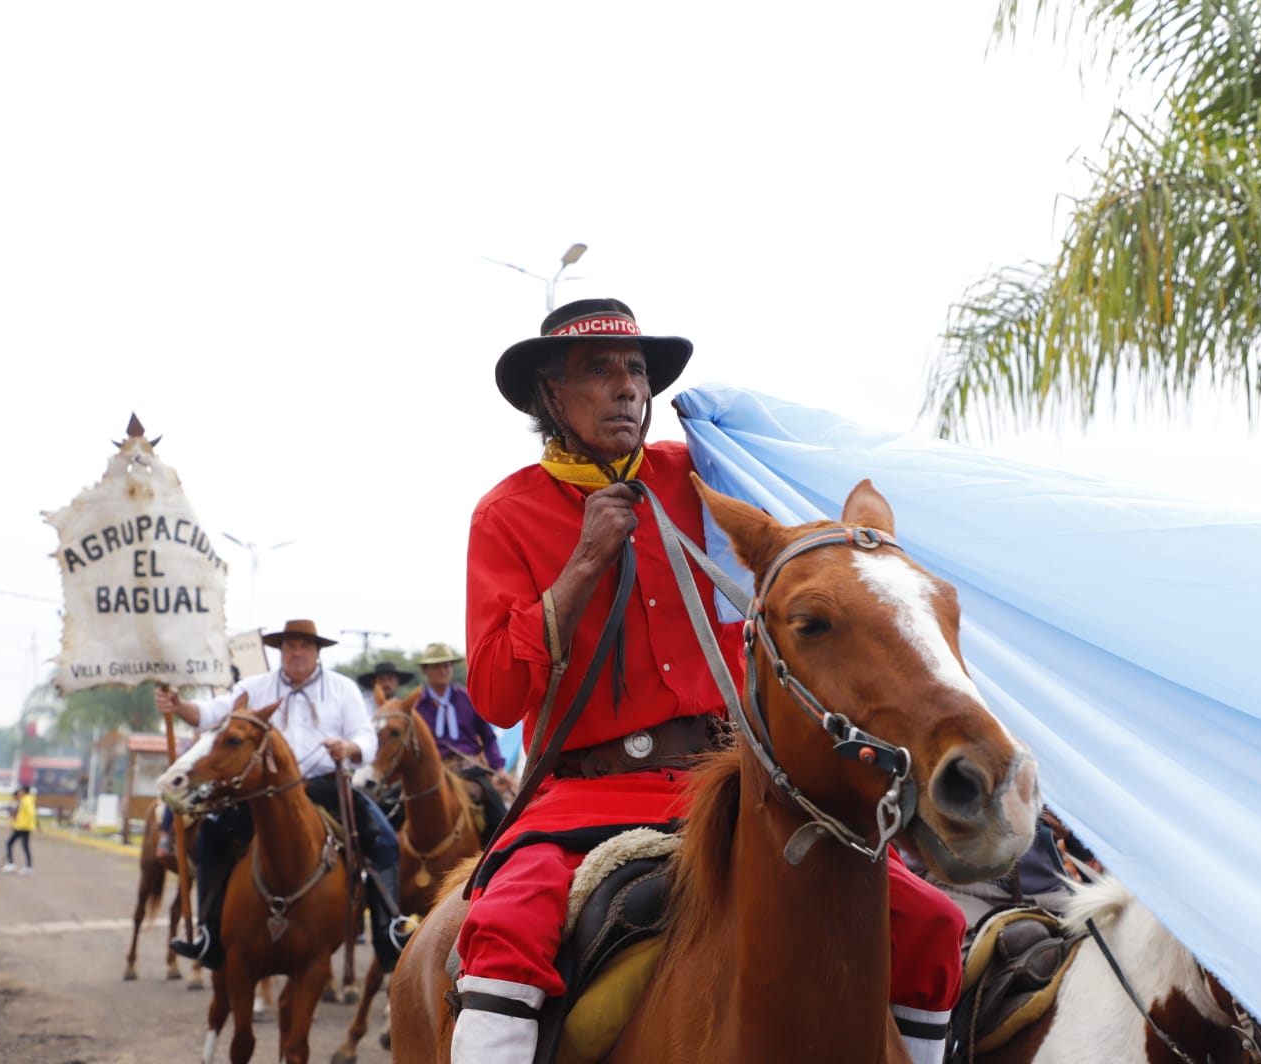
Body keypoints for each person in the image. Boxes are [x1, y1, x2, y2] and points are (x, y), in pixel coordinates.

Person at [452, 298, 966, 1064]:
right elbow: (494, 695)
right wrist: (585, 561)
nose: (627, 387)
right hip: (590, 794)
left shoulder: (707, 481)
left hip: (742, 781)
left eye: (636, 370)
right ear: (550, 396)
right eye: (600, 371)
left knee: (932, 922)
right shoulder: (506, 513)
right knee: (506, 931)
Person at [155, 618, 402, 970]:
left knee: (385, 841)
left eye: (304, 646)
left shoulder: (343, 689)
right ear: (280, 651)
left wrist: (348, 747)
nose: (296, 652)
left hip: (325, 786)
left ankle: (387, 930)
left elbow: (368, 738)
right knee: (211, 833)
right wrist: (179, 706)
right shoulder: (254, 686)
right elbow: (211, 714)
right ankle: (208, 934)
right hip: (261, 790)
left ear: (317, 652)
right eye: (289, 646)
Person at [412, 641, 512, 835]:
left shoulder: (469, 699)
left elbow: (489, 738)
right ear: (425, 671)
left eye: (447, 665)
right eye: (437, 666)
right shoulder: (417, 708)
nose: (443, 670)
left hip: (470, 770)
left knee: (498, 815)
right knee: (394, 808)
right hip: (434, 771)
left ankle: (498, 854)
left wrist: (499, 768)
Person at [0, 784, 38, 874]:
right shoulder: (26, 799)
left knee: (9, 843)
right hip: (23, 826)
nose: (19, 792)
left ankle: (11, 864)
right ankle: (28, 867)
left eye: (20, 790)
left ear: (23, 791)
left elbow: (32, 814)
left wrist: (25, 824)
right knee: (25, 846)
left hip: (22, 827)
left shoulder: (26, 801)